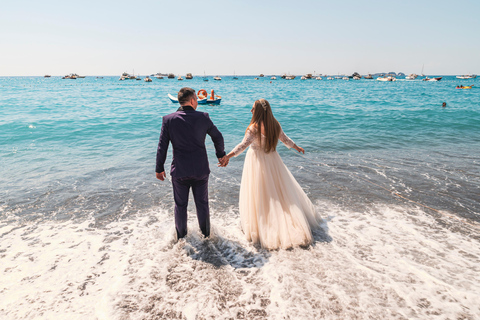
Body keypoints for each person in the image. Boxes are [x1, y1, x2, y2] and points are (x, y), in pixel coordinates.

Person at [222, 99, 322, 249]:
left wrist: (227, 156)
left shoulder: (253, 128)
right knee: (279, 194)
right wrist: (296, 147)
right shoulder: (275, 125)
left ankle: (263, 226)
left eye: (253, 109)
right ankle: (286, 221)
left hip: (257, 163)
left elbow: (242, 146)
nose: (251, 111)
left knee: (261, 194)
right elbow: (285, 139)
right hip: (274, 161)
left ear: (259, 111)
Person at [156, 87, 228, 239]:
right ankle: (206, 237)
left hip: (180, 171)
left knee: (180, 206)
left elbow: (162, 146)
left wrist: (159, 168)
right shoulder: (203, 117)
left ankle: (181, 239)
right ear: (192, 100)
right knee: (202, 205)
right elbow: (218, 137)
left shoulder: (168, 119)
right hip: (200, 170)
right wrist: (220, 155)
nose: (197, 102)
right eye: (196, 98)